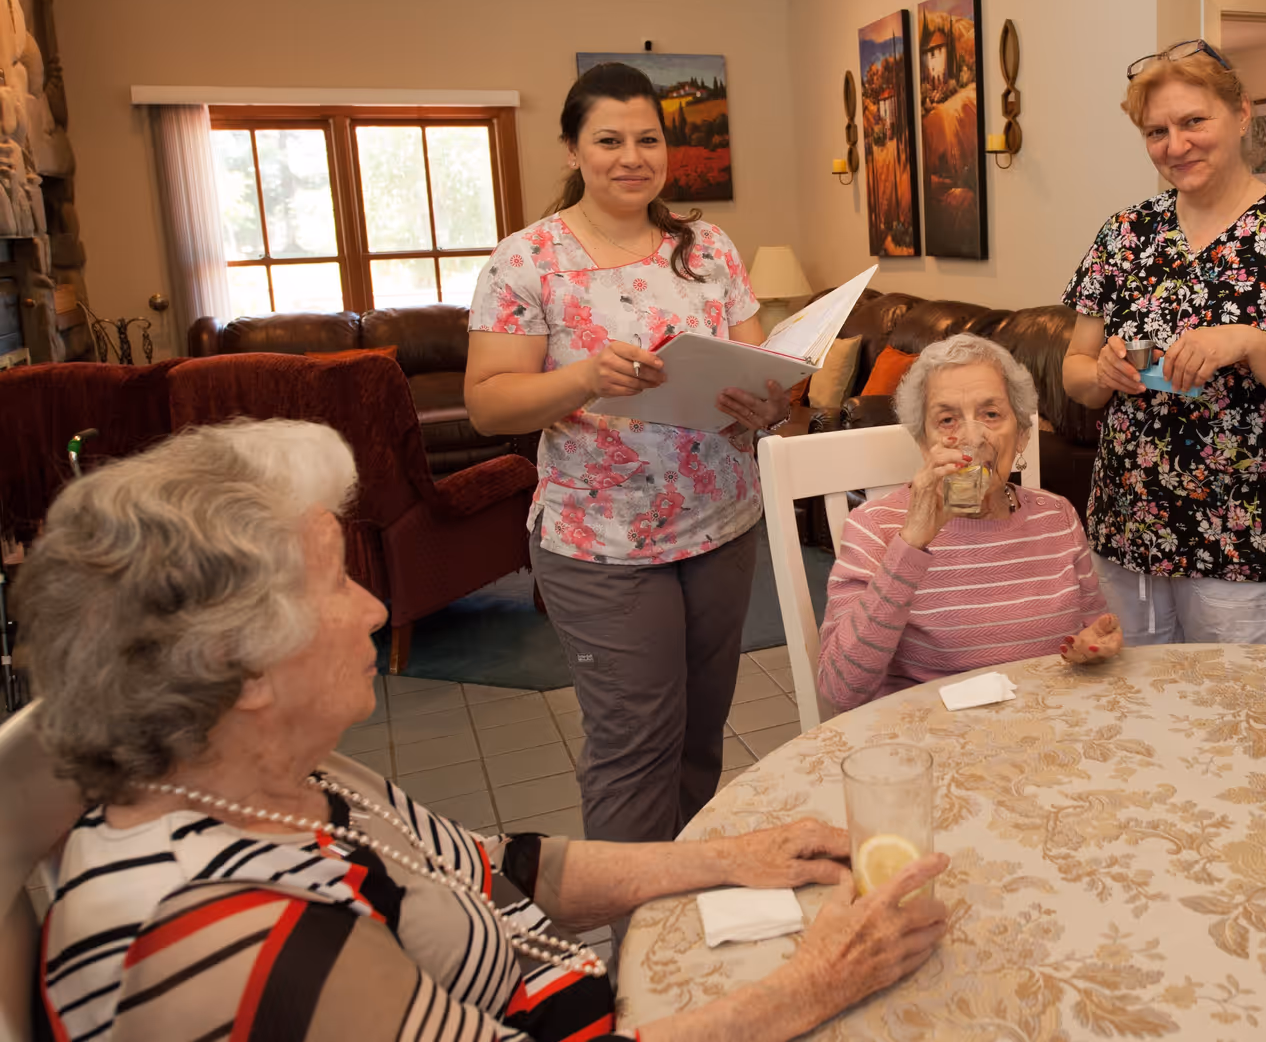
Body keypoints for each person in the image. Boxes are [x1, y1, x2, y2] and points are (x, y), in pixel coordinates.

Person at [21, 420, 949, 1042]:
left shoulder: (268, 772)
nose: (377, 609)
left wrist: (730, 854)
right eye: (337, 584)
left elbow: (506, 865)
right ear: (243, 667)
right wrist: (809, 989)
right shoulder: (226, 937)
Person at [465, 63, 790, 846]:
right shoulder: (528, 258)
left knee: (702, 733)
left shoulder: (706, 246)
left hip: (723, 524)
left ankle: (688, 905)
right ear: (574, 151)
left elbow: (764, 371)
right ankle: (632, 935)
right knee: (635, 744)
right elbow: (486, 402)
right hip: (601, 545)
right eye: (608, 140)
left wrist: (770, 400)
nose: (631, 156)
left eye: (648, 139)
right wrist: (583, 377)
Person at [1061, 40, 1266, 645]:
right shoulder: (1125, 234)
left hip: (1245, 536)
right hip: (1130, 527)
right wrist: (1102, 372)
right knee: (1130, 710)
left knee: (1227, 723)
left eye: (1193, 121)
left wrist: (1254, 344)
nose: (1175, 146)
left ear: (1242, 114)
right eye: (1156, 132)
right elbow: (1073, 369)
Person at [817, 334, 1122, 710]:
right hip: (931, 743)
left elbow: (1092, 631)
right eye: (947, 419)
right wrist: (911, 543)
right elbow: (840, 689)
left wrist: (1096, 645)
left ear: (1023, 434)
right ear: (923, 441)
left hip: (1045, 731)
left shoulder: (1056, 517)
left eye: (991, 414)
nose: (970, 436)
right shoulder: (875, 526)